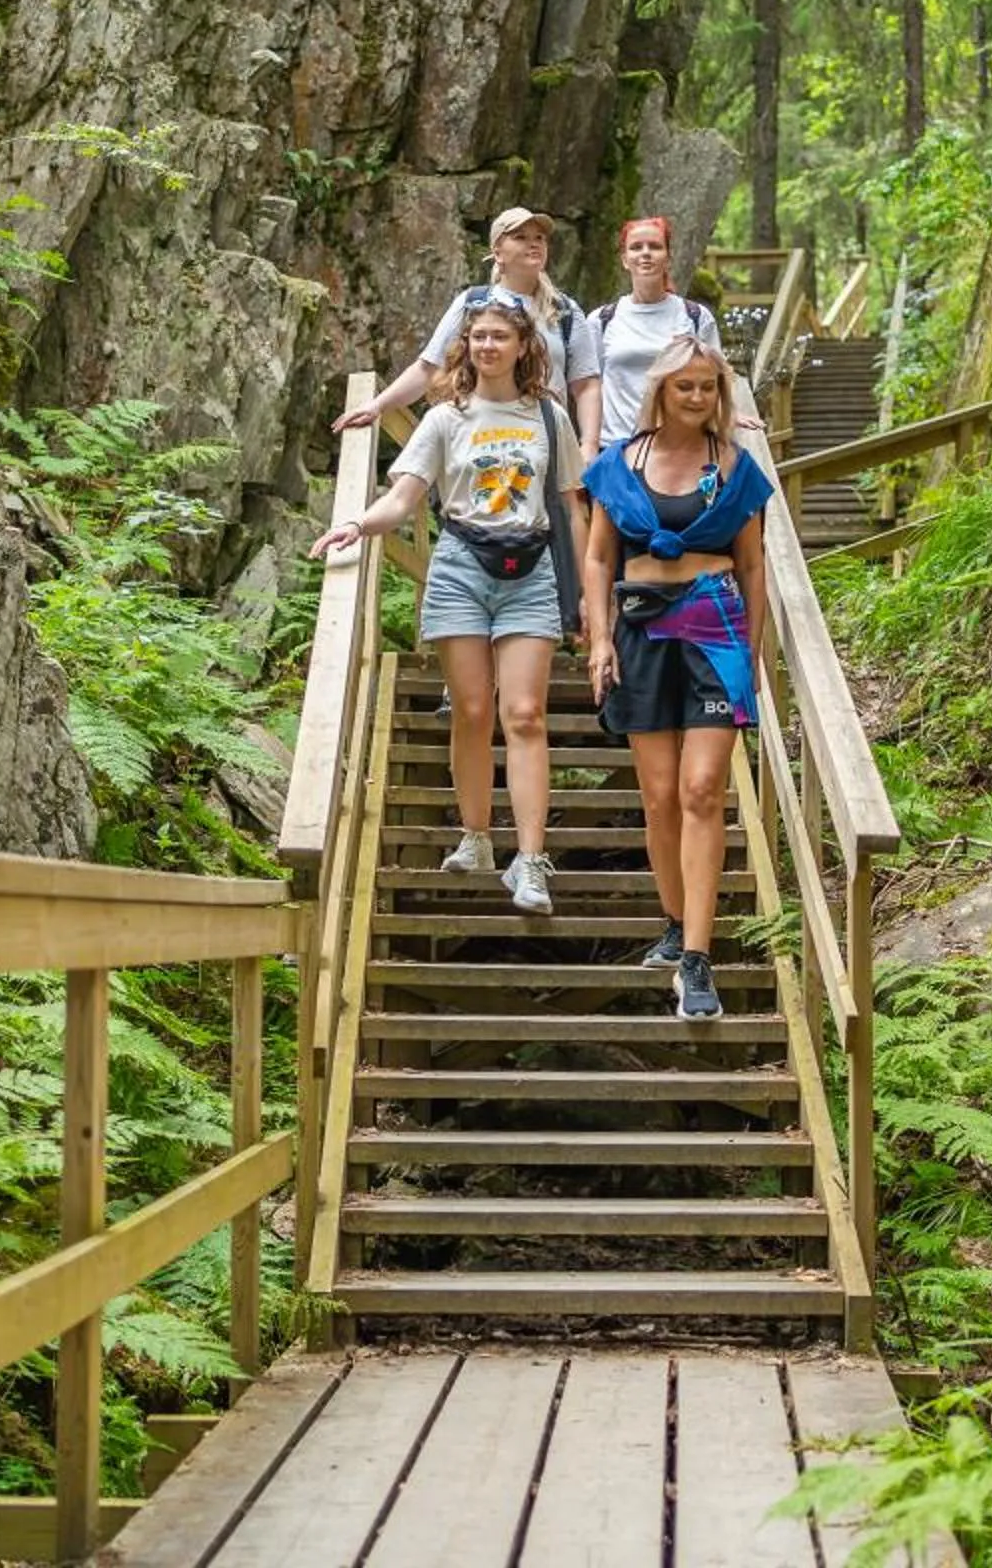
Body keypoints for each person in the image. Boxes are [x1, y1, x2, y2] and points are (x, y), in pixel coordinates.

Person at [310, 291, 587, 915]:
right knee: (469, 709)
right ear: (468, 345)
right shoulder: (445, 419)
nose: (489, 346)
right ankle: (477, 836)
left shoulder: (547, 417)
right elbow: (405, 499)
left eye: (500, 336)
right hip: (462, 566)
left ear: (523, 346)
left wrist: (591, 596)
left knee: (523, 714)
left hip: (531, 571)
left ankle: (532, 861)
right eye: (480, 336)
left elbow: (572, 506)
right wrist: (358, 524)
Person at [580, 335, 774, 1018]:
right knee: (659, 795)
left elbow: (752, 566)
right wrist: (600, 639)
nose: (697, 397)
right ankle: (673, 921)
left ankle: (697, 959)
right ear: (660, 388)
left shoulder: (735, 467)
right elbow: (599, 558)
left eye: (708, 387)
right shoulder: (619, 464)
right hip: (639, 628)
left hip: (713, 623)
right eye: (685, 386)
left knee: (700, 789)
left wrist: (751, 653)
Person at [334, 204, 599, 445]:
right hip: (480, 439)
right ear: (497, 251)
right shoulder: (473, 303)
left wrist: (588, 445)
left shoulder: (564, 310)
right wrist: (377, 406)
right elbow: (428, 368)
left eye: (539, 238)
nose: (534, 244)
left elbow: (586, 385)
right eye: (521, 237)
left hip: (545, 440)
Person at [582, 216, 721, 454]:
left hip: (680, 449)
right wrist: (589, 445)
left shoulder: (696, 317)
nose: (645, 253)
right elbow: (589, 387)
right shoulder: (601, 320)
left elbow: (719, 379)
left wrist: (736, 415)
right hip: (617, 448)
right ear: (625, 260)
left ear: (668, 258)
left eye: (655, 247)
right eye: (636, 247)